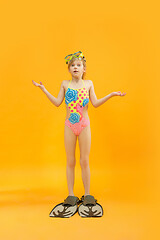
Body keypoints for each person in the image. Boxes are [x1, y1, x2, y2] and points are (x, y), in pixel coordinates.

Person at [32, 51, 126, 218]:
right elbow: (56, 103)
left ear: (84, 69)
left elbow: (95, 104)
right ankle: (71, 195)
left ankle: (88, 195)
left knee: (84, 160)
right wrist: (43, 89)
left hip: (84, 125)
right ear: (69, 69)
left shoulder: (89, 84)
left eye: (78, 65)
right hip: (69, 125)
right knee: (70, 160)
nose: (75, 67)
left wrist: (111, 95)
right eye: (73, 65)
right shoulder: (64, 84)